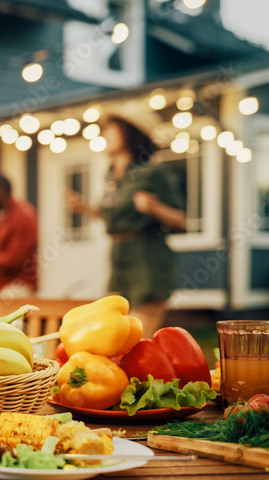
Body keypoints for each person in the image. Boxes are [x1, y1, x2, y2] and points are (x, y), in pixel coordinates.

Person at [66, 114, 186, 337]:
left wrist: (155, 207)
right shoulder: (111, 175)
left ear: (130, 133)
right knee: (112, 330)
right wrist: (85, 208)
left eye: (111, 128)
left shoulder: (152, 173)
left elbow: (181, 220)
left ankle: (145, 373)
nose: (104, 133)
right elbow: (116, 217)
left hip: (147, 259)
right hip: (119, 256)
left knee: (138, 336)